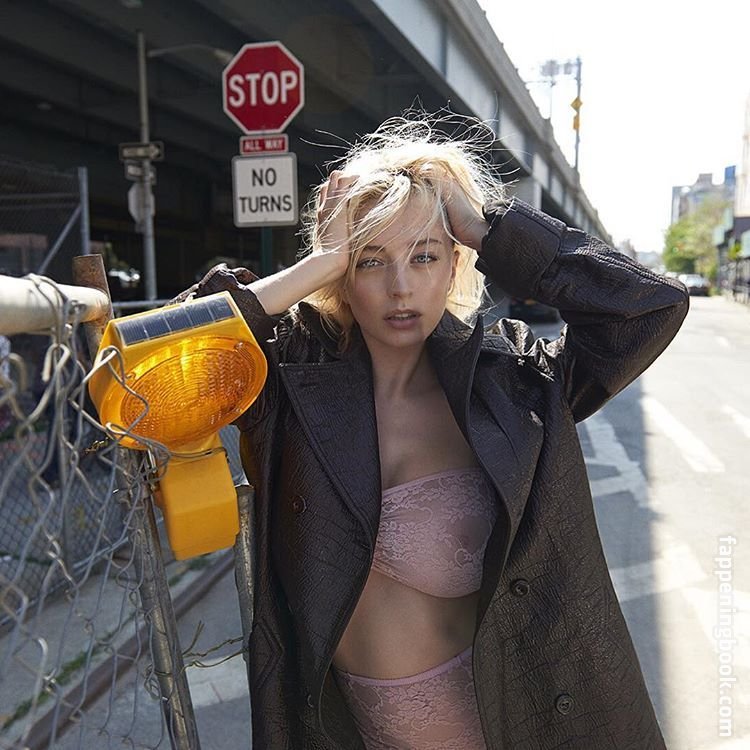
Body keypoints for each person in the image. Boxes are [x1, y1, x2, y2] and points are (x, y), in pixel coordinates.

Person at [176, 115, 689, 749]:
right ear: (343, 279)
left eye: (424, 256)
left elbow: (650, 309)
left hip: (509, 722)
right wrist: (320, 261)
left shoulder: (512, 381)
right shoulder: (288, 379)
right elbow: (157, 370)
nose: (401, 287)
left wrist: (489, 228)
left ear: (454, 266)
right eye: (371, 261)